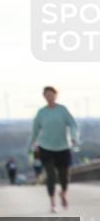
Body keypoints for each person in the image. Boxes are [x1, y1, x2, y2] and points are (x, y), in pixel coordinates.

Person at [28, 85, 79, 213]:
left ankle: (63, 193)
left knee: (64, 177)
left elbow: (73, 125)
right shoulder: (41, 112)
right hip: (46, 148)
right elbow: (35, 131)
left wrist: (74, 137)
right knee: (50, 176)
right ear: (44, 97)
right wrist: (31, 145)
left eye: (51, 94)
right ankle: (52, 203)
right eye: (47, 95)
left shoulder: (62, 110)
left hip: (63, 147)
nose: (49, 97)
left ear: (56, 95)